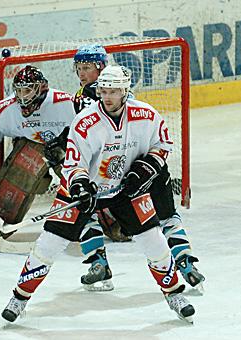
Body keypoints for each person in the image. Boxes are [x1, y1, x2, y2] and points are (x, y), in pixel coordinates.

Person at [1, 65, 196, 323]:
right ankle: (19, 298)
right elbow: (72, 164)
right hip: (85, 191)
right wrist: (80, 186)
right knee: (48, 245)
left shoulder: (146, 115)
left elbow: (162, 145)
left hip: (126, 190)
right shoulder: (85, 122)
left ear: (125, 91)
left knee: (155, 241)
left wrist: (143, 170)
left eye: (114, 91)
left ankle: (174, 294)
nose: (107, 96)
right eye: (103, 91)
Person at [68, 44, 205, 292]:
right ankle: (99, 263)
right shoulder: (83, 99)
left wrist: (143, 169)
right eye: (78, 68)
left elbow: (162, 143)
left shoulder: (139, 110)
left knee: (162, 218)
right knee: (83, 208)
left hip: (143, 173)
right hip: (112, 173)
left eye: (86, 67)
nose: (81, 73)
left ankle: (185, 263)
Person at [0, 65, 76, 230]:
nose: (21, 96)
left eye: (27, 90)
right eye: (18, 91)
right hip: (31, 147)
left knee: (78, 179)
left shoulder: (64, 102)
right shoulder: (7, 108)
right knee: (19, 177)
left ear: (41, 88)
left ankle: (105, 218)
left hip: (64, 146)